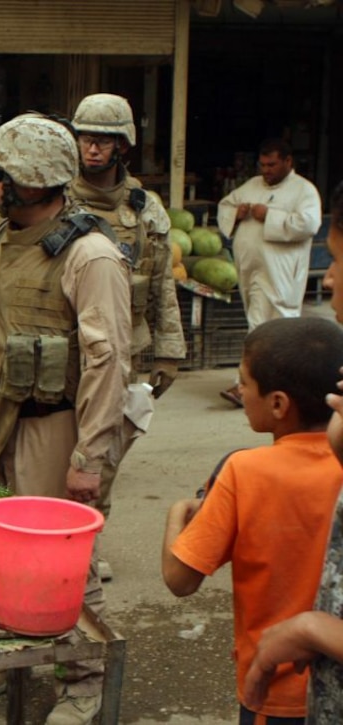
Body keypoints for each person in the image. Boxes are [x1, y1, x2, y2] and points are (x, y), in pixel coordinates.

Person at [0, 114, 130, 724]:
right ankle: (14, 652)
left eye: (3, 177)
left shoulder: (90, 255)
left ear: (38, 182)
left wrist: (90, 458)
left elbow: (108, 365)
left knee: (63, 560)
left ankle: (85, 677)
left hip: (54, 422)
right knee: (2, 553)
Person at [162, 316, 343, 724]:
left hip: (275, 687)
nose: (239, 391)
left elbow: (180, 578)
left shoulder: (245, 471)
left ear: (278, 404)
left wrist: (178, 515)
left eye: (244, 382)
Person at [68, 93, 187, 581]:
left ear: (123, 147)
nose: (93, 149)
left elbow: (161, 283)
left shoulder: (145, 210)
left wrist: (169, 351)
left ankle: (88, 549)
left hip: (124, 352)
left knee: (105, 460)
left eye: (105, 140)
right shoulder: (60, 199)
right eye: (86, 138)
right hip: (68, 351)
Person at [242, 181, 343, 723]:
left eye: (340, 259)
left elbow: (181, 575)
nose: (327, 276)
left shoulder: (244, 469)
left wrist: (311, 629)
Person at [216, 138, 322, 407]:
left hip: (281, 273)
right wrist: (237, 213)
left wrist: (270, 215)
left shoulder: (304, 191)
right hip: (252, 271)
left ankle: (252, 385)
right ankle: (263, 384)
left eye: (272, 164)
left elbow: (308, 223)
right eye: (263, 165)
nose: (267, 170)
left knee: (273, 327)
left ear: (288, 162)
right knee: (259, 325)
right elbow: (225, 206)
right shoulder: (251, 185)